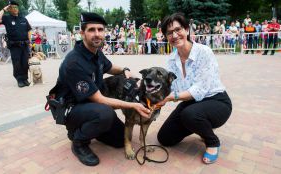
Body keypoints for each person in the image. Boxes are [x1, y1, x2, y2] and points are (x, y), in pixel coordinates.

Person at [51, 12, 150, 166]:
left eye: (100, 29)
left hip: (88, 104)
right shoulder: (74, 62)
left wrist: (126, 70)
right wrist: (133, 105)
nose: (97, 34)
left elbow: (110, 67)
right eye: (91, 30)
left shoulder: (96, 52)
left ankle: (92, 127)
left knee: (119, 140)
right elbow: (99, 100)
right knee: (105, 113)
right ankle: (78, 140)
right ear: (82, 32)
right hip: (70, 109)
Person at [156, 13, 232, 164]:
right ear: (165, 36)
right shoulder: (171, 60)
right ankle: (199, 125)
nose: (175, 35)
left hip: (217, 101)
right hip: (192, 103)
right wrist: (153, 95)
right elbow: (170, 86)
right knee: (165, 138)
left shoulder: (204, 52)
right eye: (169, 33)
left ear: (186, 29)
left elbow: (200, 90)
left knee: (189, 114)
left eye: (178, 29)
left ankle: (212, 141)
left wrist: (170, 97)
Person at [0, 0, 32, 87]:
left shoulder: (23, 19)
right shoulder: (7, 18)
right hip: (14, 45)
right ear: (9, 9)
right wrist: (4, 9)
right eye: (12, 7)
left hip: (25, 44)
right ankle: (19, 80)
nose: (15, 9)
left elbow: (29, 30)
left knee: (25, 62)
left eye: (16, 7)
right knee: (17, 63)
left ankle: (25, 79)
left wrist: (29, 41)